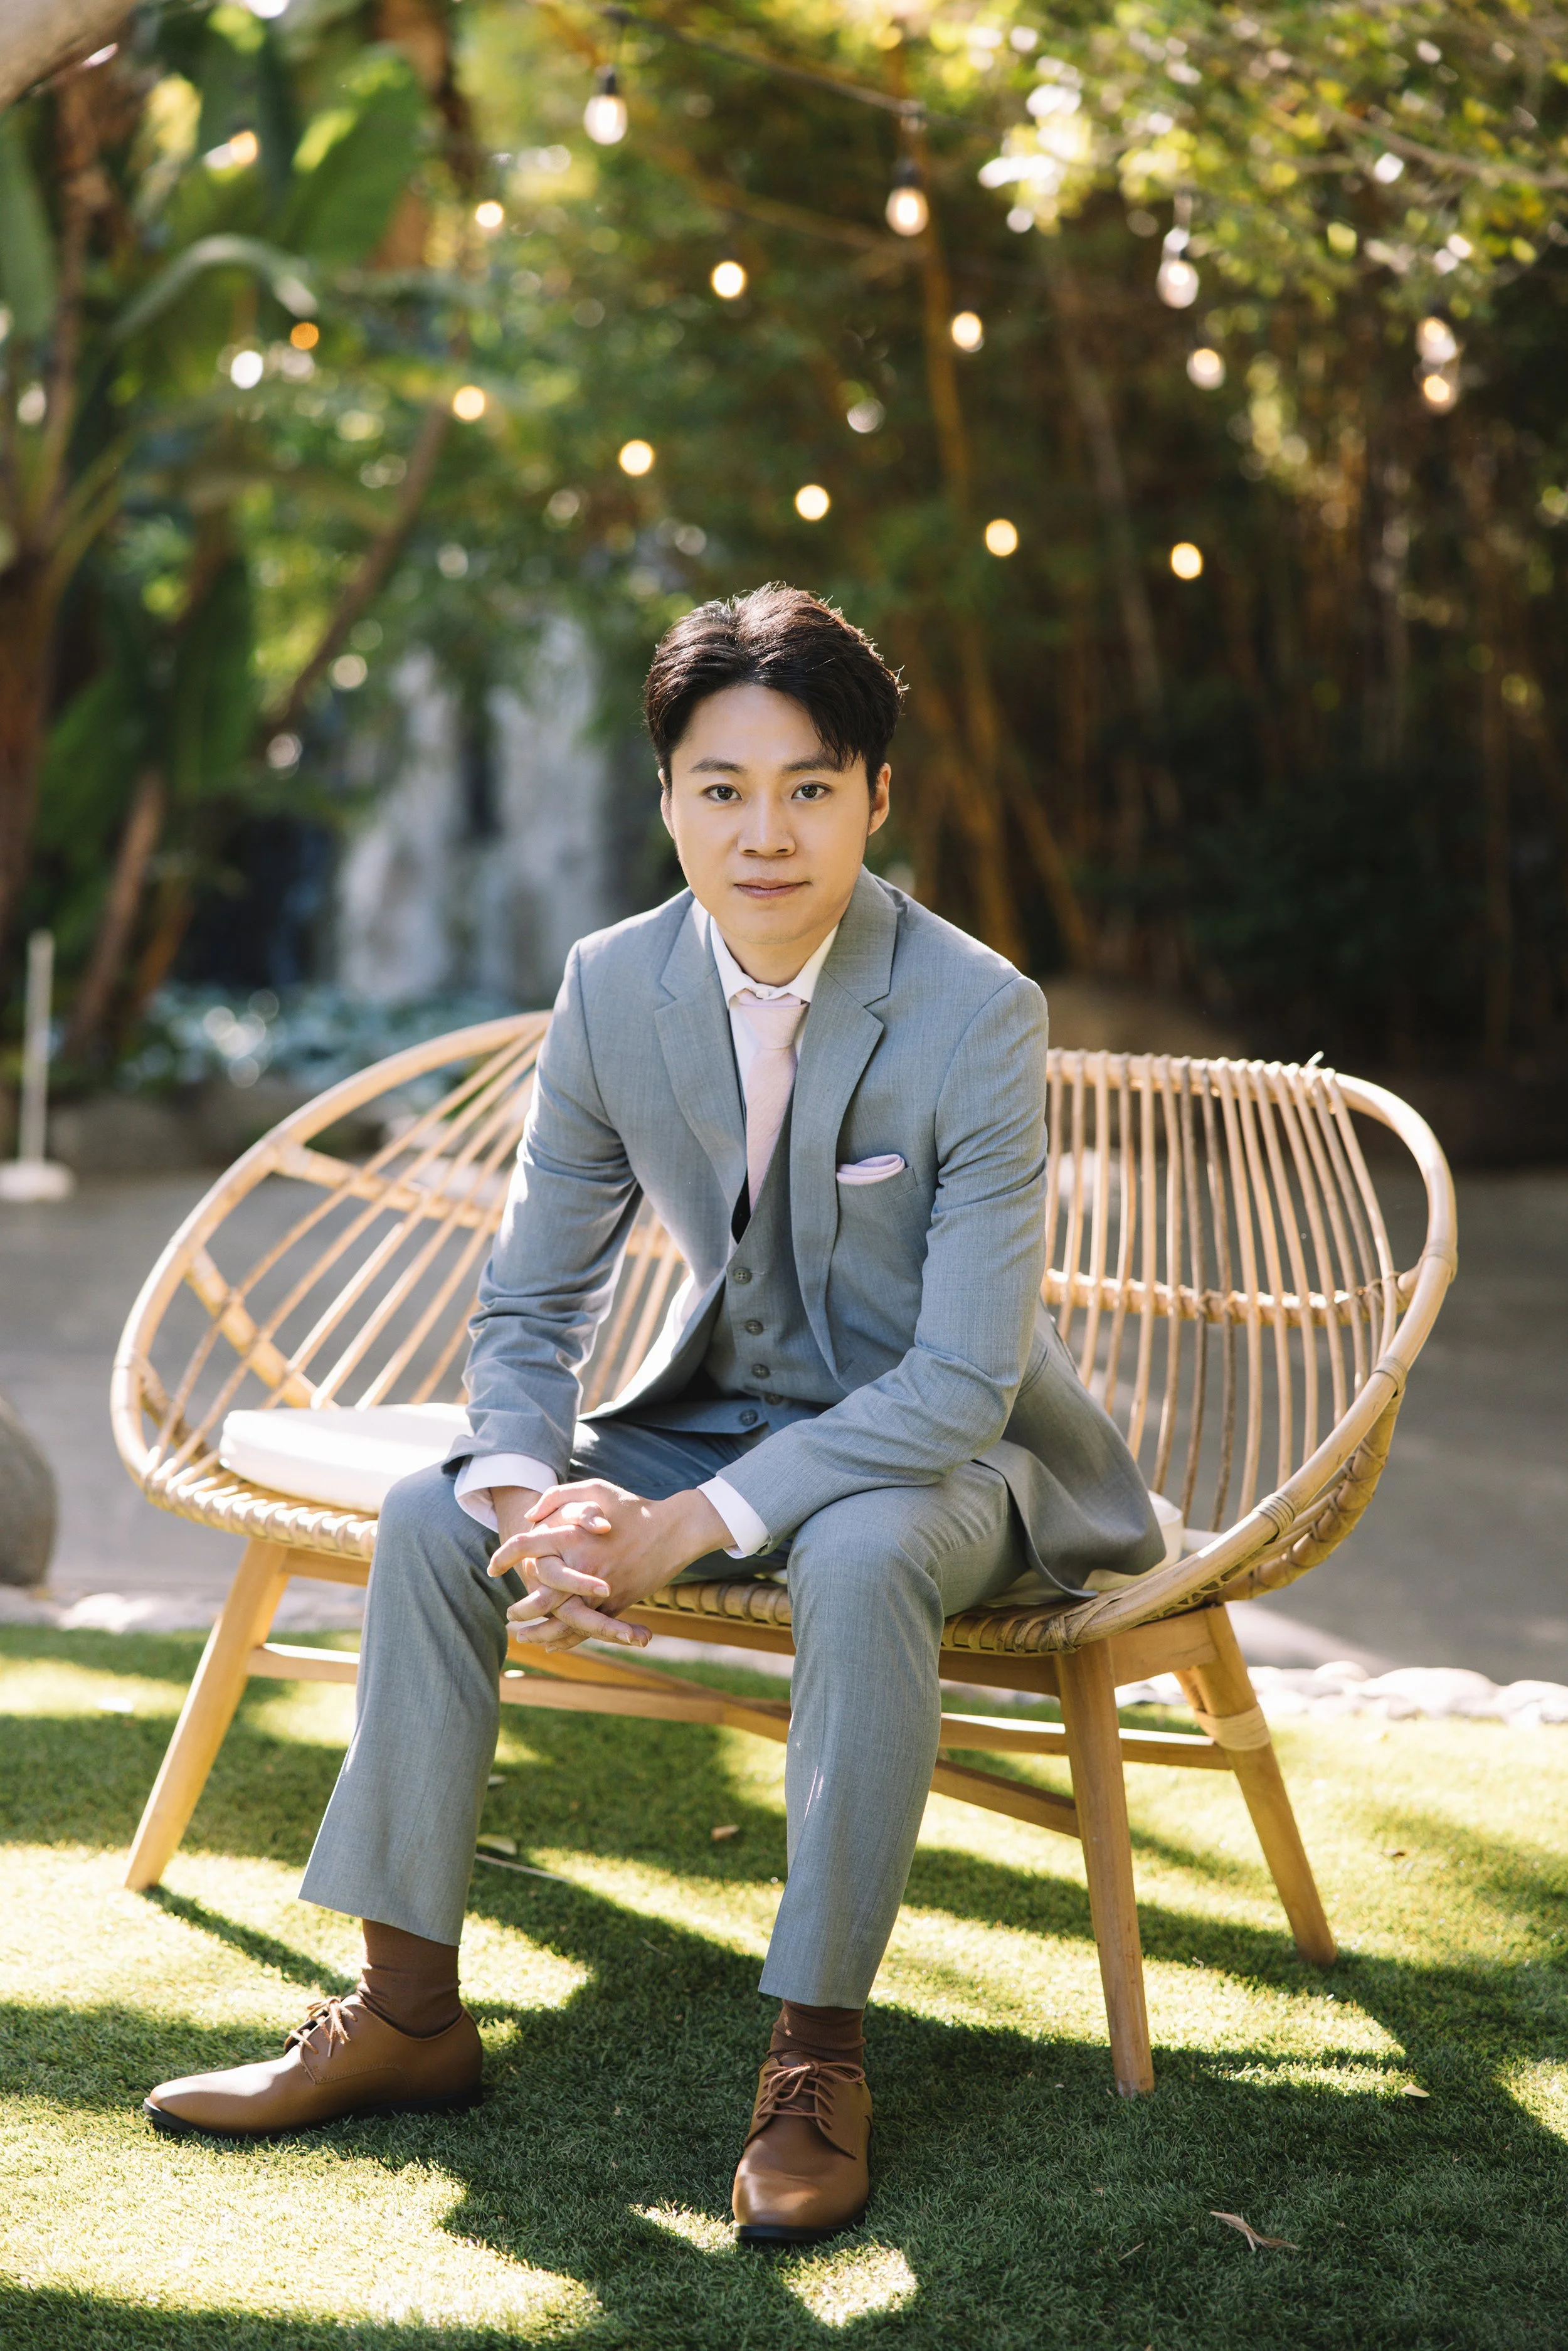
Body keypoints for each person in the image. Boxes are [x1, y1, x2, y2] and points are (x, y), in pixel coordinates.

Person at [144, 584, 1162, 2242]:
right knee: (426, 1513)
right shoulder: (614, 984)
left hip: (946, 1457)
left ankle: (816, 2057)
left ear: (877, 799)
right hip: (708, 1404)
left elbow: (963, 1375)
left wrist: (691, 1523)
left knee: (855, 1557)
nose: (765, 831)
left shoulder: (976, 1009)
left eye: (810, 786)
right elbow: (537, 1298)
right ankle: (404, 2009)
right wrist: (530, 1490)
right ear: (666, 796)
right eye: (721, 786)